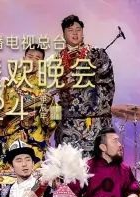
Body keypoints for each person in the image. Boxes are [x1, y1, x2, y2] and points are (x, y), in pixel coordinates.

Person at [0, 45, 58, 189]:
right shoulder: (6, 83)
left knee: (33, 190)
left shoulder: (47, 88)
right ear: (23, 59)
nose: (33, 61)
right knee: (3, 190)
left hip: (34, 146)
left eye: (38, 58)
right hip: (8, 143)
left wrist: (46, 110)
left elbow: (55, 120)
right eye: (30, 57)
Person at [53, 14, 115, 152]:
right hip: (66, 125)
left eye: (78, 29)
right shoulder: (56, 59)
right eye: (70, 30)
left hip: (92, 123)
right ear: (63, 34)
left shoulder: (96, 54)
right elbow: (53, 93)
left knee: (94, 162)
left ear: (83, 32)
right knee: (67, 162)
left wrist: (87, 78)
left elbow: (108, 84)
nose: (75, 33)